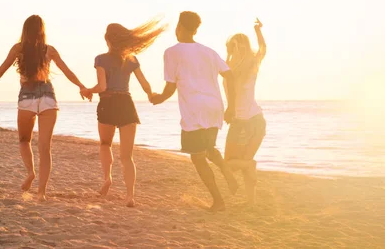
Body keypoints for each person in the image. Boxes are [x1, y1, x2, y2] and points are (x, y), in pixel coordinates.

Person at [0, 15, 91, 201]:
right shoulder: (50, 50)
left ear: (25, 30)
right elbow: (67, 72)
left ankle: (31, 172)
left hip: (26, 96)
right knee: (45, 148)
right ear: (42, 30)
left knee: (24, 140)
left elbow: (0, 71)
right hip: (48, 96)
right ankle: (41, 193)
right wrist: (82, 86)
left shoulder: (18, 49)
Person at [151, 11, 238, 212]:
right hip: (215, 107)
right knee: (208, 149)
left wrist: (158, 99)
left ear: (179, 27)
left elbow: (170, 88)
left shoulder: (172, 52)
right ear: (196, 29)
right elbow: (230, 76)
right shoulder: (208, 51)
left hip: (194, 110)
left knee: (197, 158)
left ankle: (218, 201)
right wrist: (231, 106)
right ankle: (225, 168)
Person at [82, 20, 166, 207]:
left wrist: (88, 90)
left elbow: (102, 86)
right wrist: (151, 95)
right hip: (126, 104)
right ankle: (130, 196)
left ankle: (107, 179)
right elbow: (144, 83)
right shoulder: (131, 59)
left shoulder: (100, 59)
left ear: (108, 40)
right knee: (127, 156)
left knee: (105, 144)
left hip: (108, 103)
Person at [223, 18, 267, 204]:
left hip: (243, 122)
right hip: (256, 121)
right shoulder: (249, 65)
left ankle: (250, 165)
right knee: (246, 165)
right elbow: (263, 49)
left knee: (228, 165)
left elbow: (262, 49)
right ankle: (251, 202)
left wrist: (257, 31)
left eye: (235, 47)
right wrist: (257, 31)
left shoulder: (236, 68)